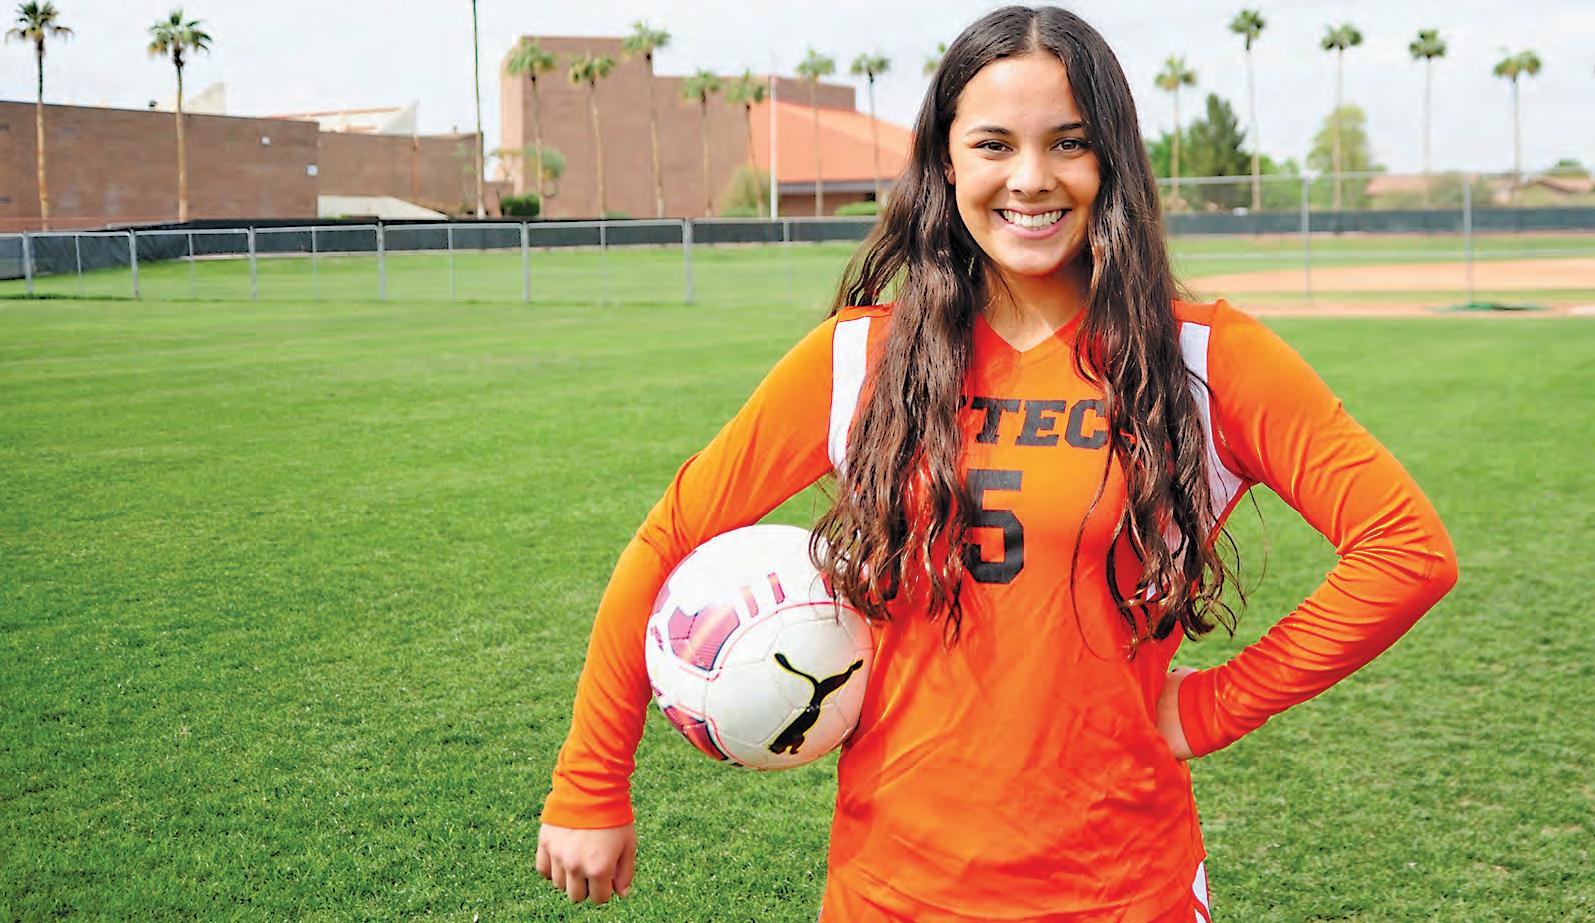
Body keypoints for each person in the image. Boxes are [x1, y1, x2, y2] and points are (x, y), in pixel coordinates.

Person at [535, 6, 1458, 920]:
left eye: (1068, 143)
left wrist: (1214, 706)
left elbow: (1405, 549)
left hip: (1122, 890)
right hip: (889, 888)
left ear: (1112, 161)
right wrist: (590, 784)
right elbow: (668, 539)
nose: (1030, 177)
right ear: (945, 161)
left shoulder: (1200, 360)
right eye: (992, 144)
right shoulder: (861, 359)